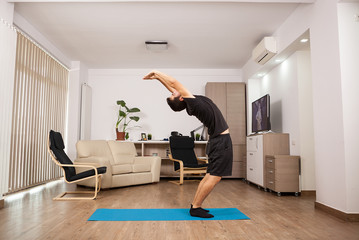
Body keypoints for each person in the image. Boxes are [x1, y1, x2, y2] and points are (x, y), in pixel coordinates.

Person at [143, 70, 233, 218]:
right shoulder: (194, 104)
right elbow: (173, 84)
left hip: (217, 141)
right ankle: (196, 207)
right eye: (173, 95)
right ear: (181, 99)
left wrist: (157, 79)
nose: (174, 92)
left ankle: (195, 205)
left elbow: (172, 88)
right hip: (221, 142)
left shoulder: (190, 103)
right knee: (215, 177)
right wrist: (156, 72)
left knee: (210, 175)